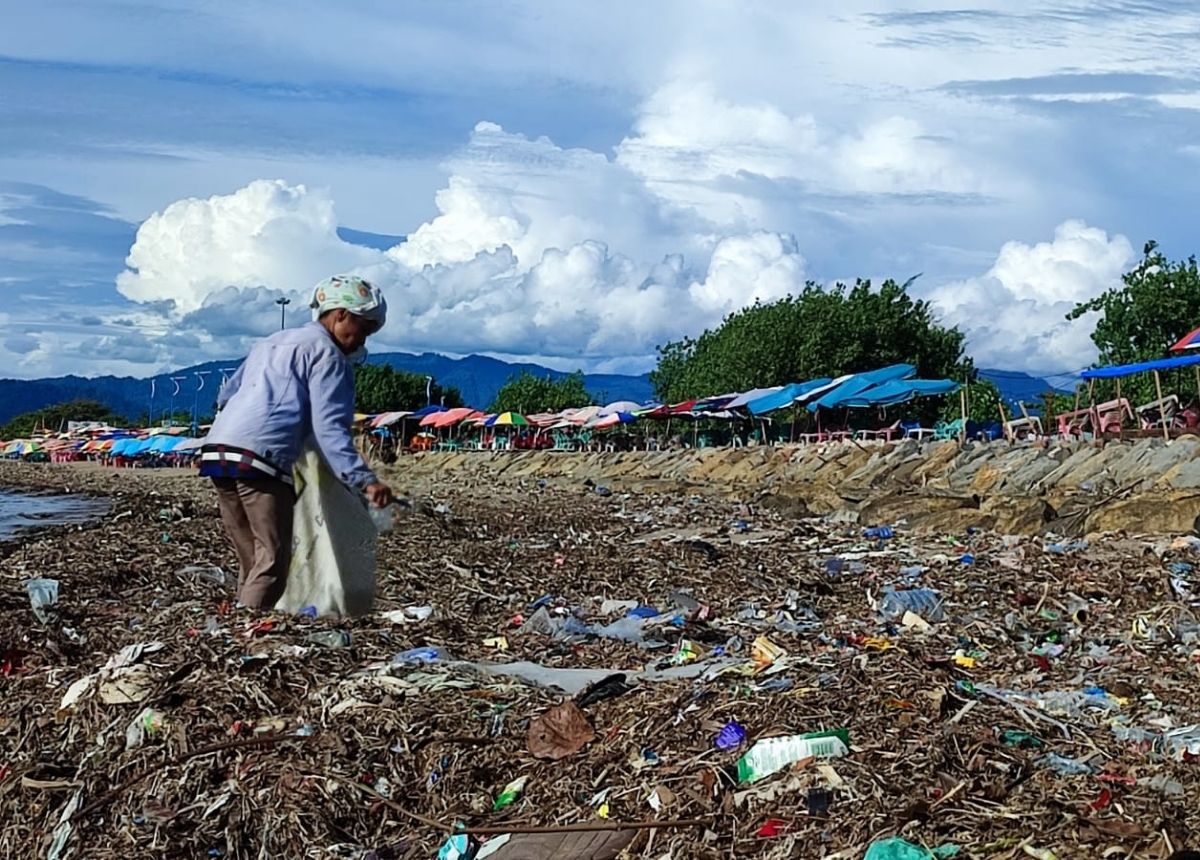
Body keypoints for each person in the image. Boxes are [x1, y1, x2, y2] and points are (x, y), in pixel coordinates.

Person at [200, 275, 395, 609]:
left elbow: (227, 394)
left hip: (218, 451)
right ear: (340, 314)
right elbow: (330, 428)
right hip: (261, 457)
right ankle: (247, 628)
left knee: (253, 556)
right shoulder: (327, 355)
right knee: (273, 559)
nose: (362, 340)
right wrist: (365, 480)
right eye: (363, 328)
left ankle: (236, 623)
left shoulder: (271, 342)